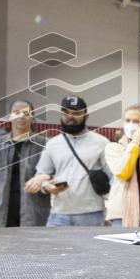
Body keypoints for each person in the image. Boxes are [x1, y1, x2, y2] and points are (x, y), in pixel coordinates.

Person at [24, 96, 110, 226]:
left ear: (86, 116)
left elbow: (113, 178)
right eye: (66, 112)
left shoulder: (101, 143)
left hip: (92, 214)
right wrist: (47, 187)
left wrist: (111, 213)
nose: (70, 116)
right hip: (59, 215)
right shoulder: (52, 144)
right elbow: (41, 176)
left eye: (76, 113)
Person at [0, 99, 50, 228]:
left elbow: (52, 177)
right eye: (17, 112)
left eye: (26, 113)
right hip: (1, 214)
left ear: (32, 117)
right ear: (9, 116)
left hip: (35, 214)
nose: (21, 116)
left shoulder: (45, 145)